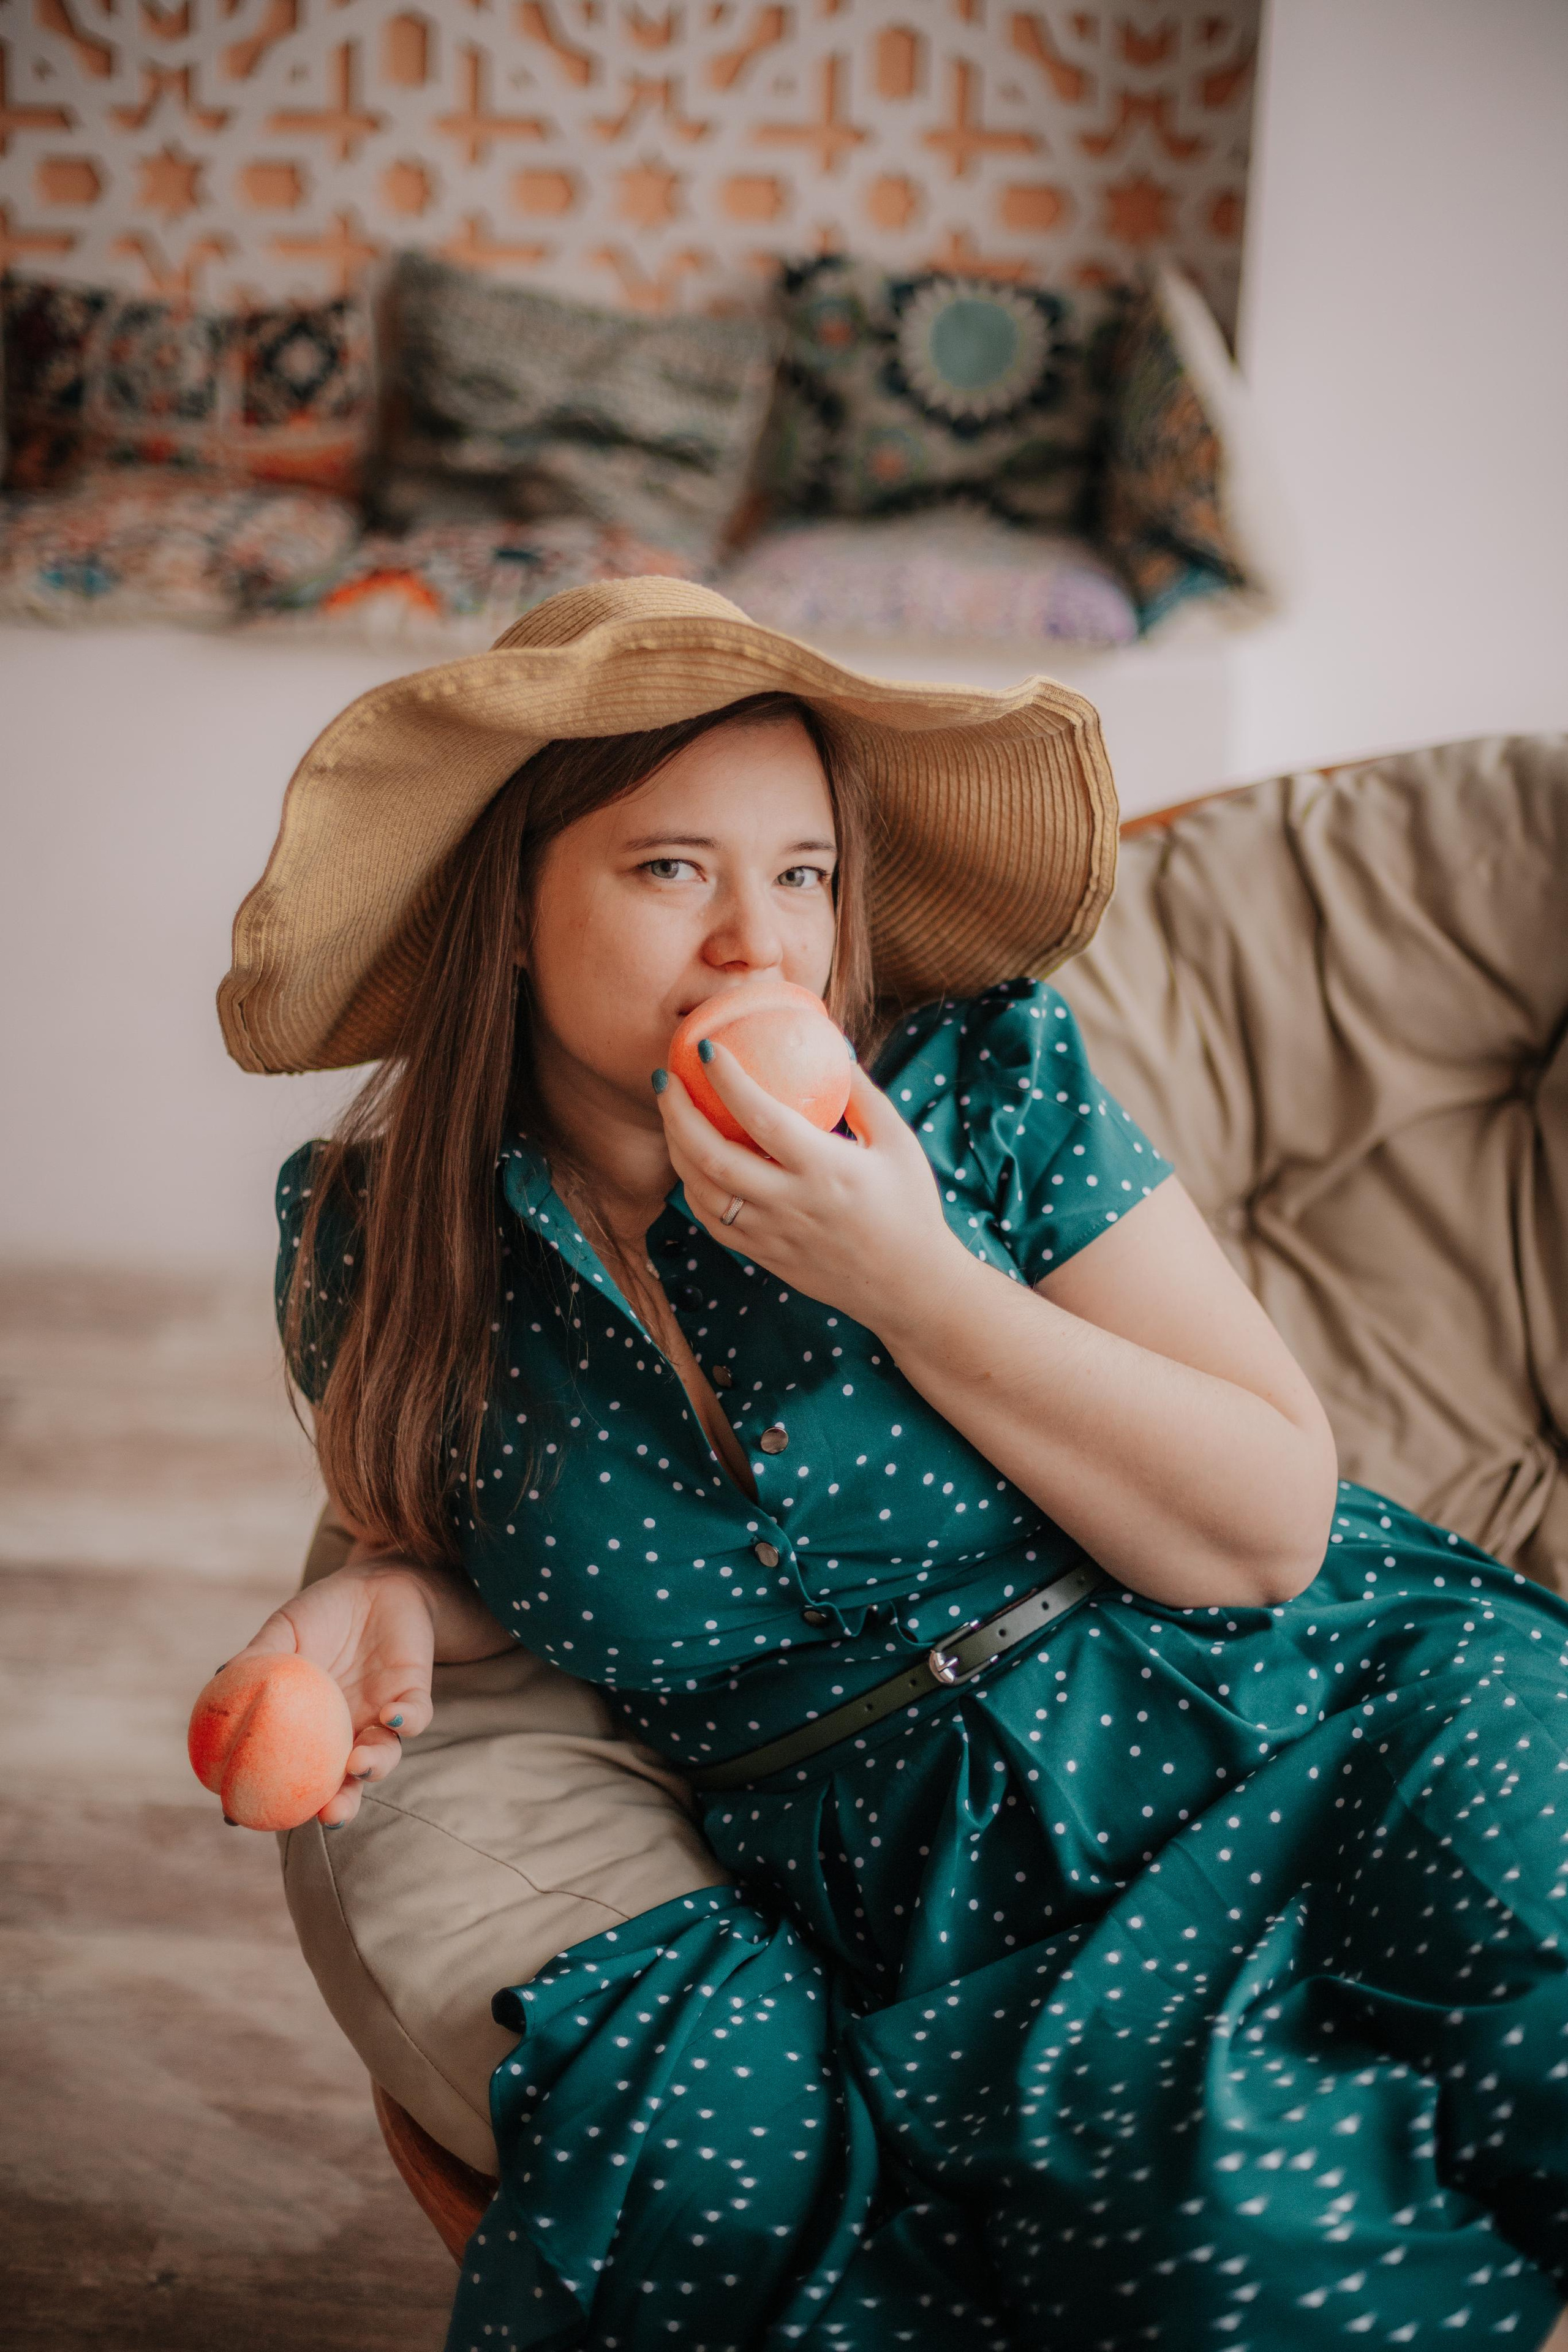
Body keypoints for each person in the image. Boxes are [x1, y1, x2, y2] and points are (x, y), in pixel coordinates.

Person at [222, 580, 1568, 2350]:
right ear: (519, 913)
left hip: (1321, 1711)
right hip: (958, 1909)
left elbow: (1269, 1525)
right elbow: (522, 1556)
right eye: (669, 868)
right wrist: (388, 1603)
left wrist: (912, 1279)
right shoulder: (378, 1248)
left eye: (801, 873)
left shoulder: (985, 1085)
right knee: (1262, 2281)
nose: (757, 944)